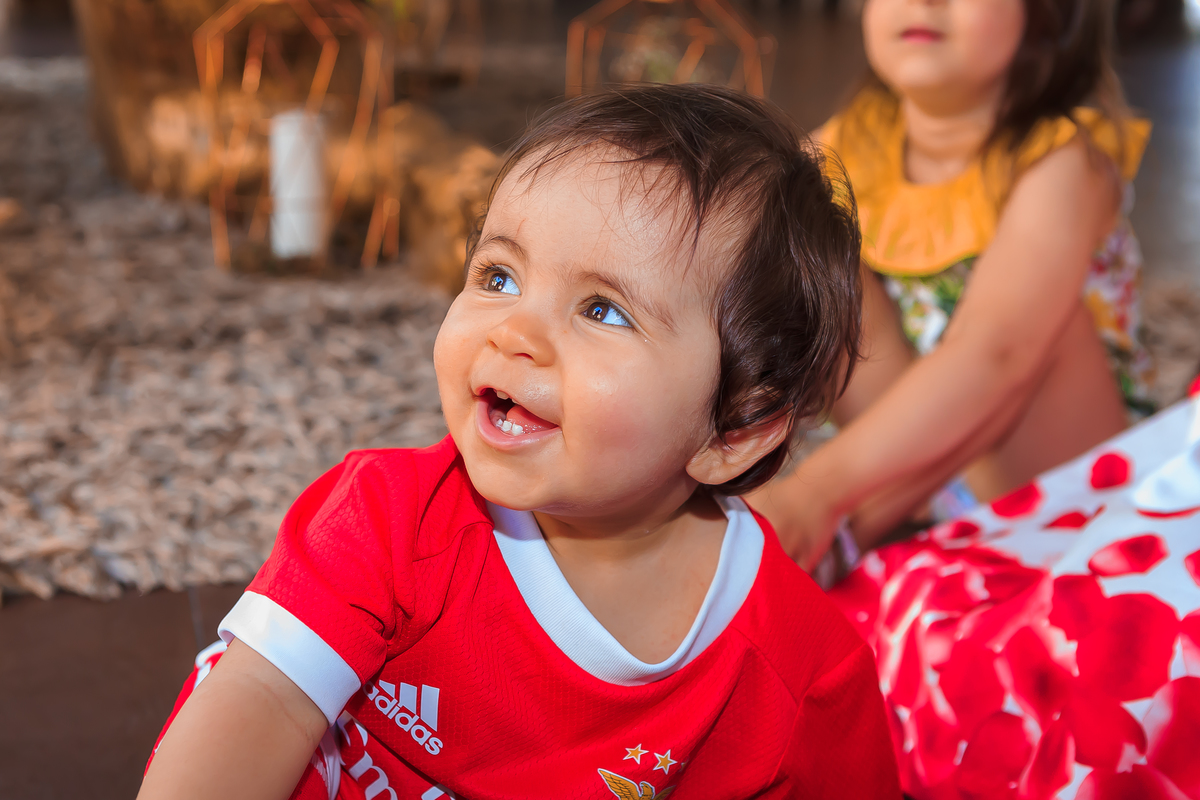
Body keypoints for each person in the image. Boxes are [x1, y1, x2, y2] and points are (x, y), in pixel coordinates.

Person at [136, 85, 902, 800]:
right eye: (499, 275)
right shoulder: (385, 521)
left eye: (603, 310)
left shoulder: (801, 672)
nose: (515, 332)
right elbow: (261, 699)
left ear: (735, 428)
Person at [749, 0, 1154, 573]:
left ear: (1042, 15)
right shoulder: (838, 155)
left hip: (1073, 489)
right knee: (808, 248)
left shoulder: (1066, 160)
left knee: (1032, 330)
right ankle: (855, 526)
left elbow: (998, 353)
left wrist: (816, 489)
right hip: (912, 467)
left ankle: (832, 514)